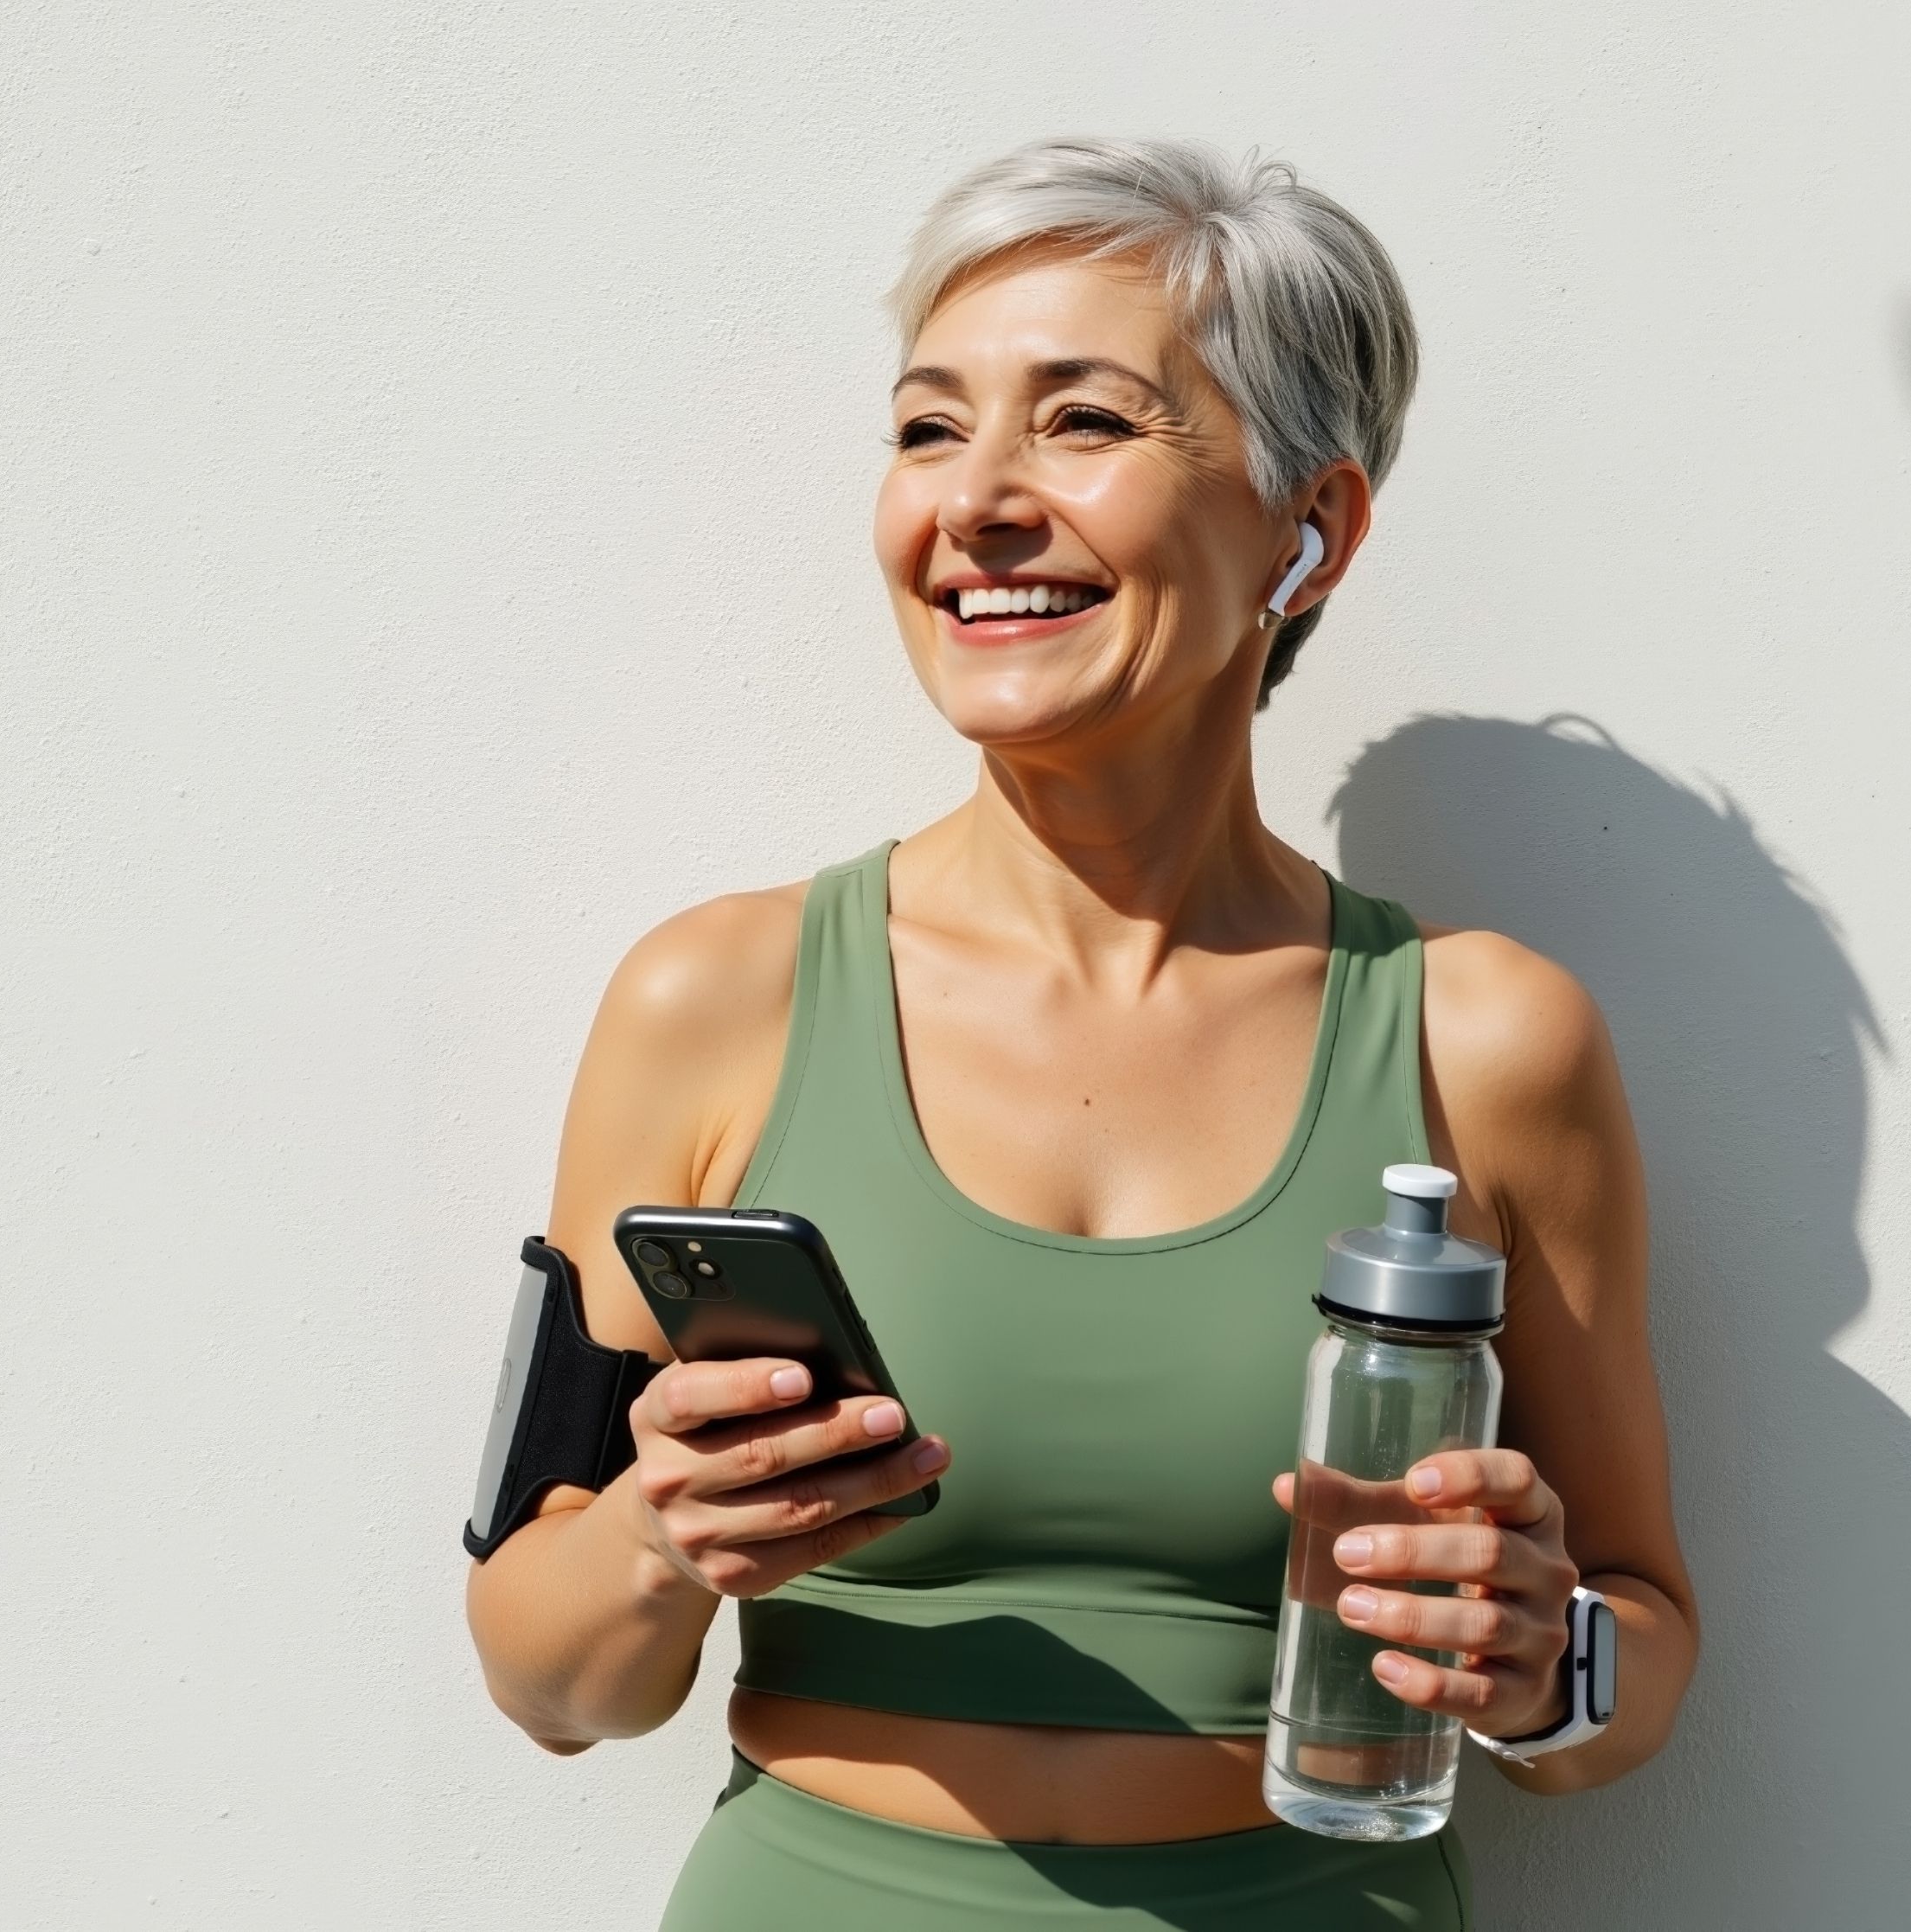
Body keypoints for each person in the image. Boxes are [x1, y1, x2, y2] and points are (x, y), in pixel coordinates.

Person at [465, 136, 1696, 1929]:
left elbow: (1633, 1661)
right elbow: (544, 1678)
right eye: (924, 427)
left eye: (1084, 422)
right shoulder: (713, 1000)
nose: (973, 500)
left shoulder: (1483, 1039)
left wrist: (1540, 1657)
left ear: (1311, 529)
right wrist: (663, 1542)